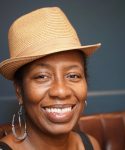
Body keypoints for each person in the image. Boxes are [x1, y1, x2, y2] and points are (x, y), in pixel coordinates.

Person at [0, 7, 101, 150]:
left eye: (73, 75)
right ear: (19, 92)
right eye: (42, 76)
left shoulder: (91, 145)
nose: (61, 91)